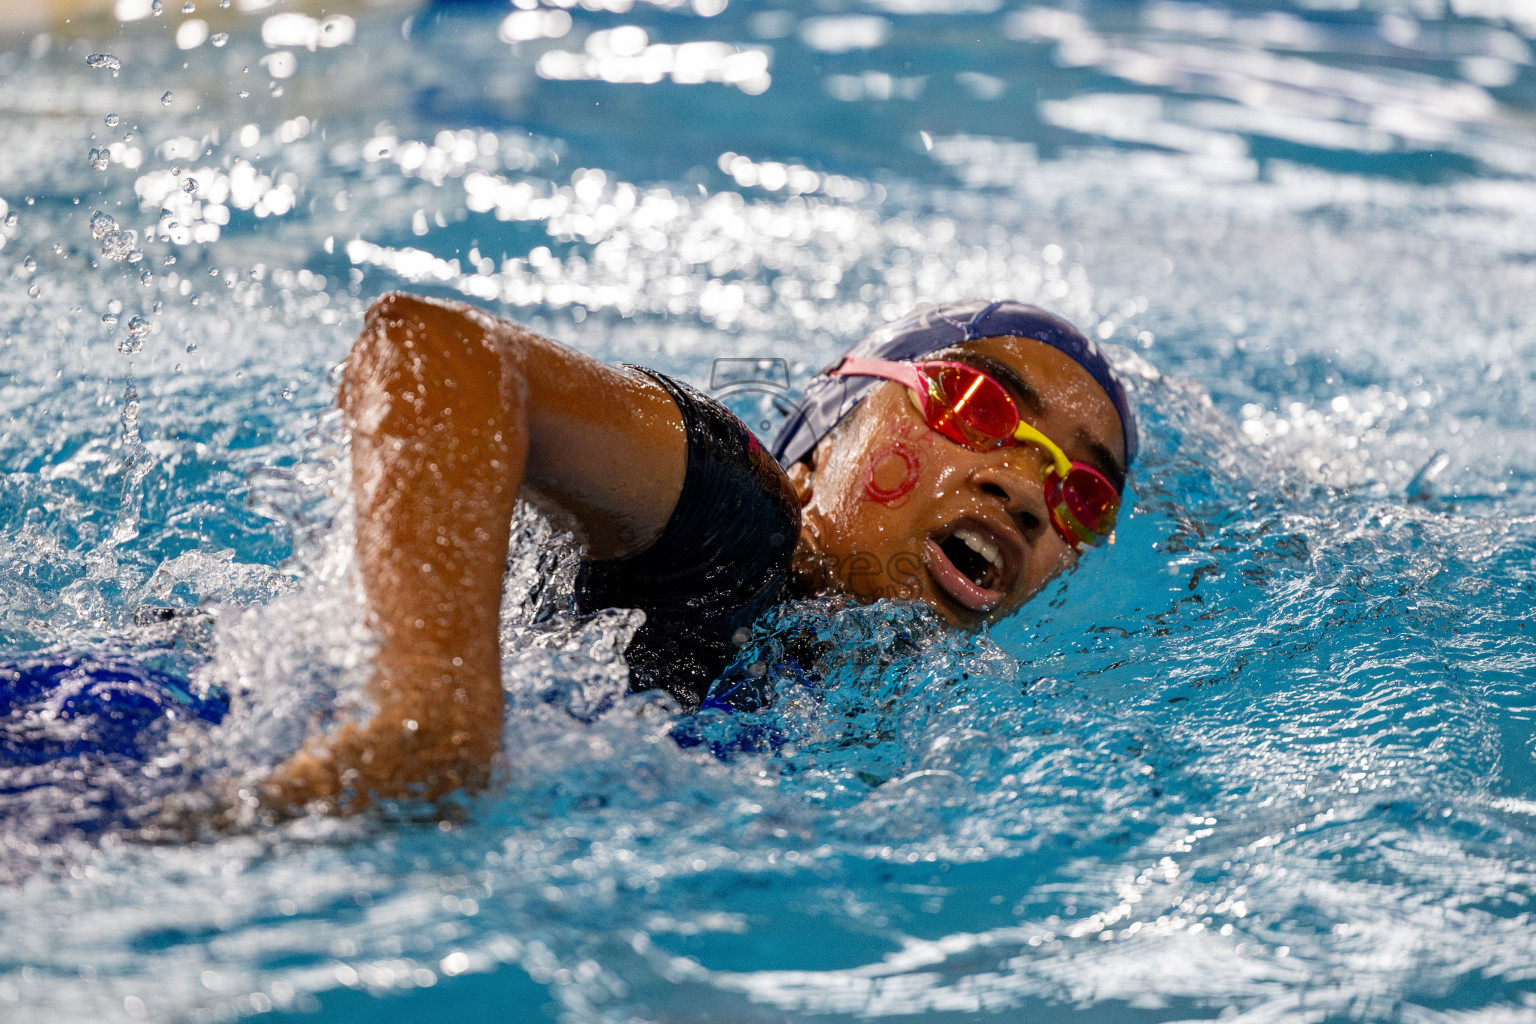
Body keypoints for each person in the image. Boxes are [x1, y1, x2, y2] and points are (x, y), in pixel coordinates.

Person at [257, 293, 1137, 814]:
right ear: (820, 449)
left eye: (1082, 495)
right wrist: (433, 706)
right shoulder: (734, 517)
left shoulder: (890, 711)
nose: (1025, 493)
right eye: (976, 407)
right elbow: (431, 347)